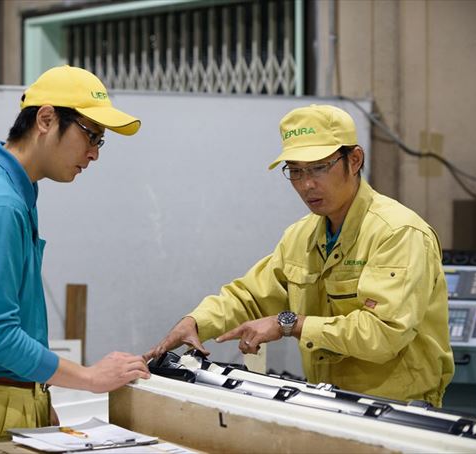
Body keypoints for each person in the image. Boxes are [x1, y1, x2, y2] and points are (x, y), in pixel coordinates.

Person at [146, 104, 454, 407]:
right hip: (330, 403)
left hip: (398, 410)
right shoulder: (302, 236)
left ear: (355, 159)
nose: (307, 184)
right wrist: (196, 322)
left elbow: (383, 333)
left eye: (319, 167)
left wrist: (288, 324)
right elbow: (250, 296)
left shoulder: (397, 233)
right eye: (295, 171)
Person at [0, 66, 150, 453]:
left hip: (3, 400)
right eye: (91, 135)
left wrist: (36, 395)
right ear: (46, 119)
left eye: (102, 141)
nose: (95, 153)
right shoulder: (1, 205)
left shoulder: (13, 190)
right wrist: (88, 377)